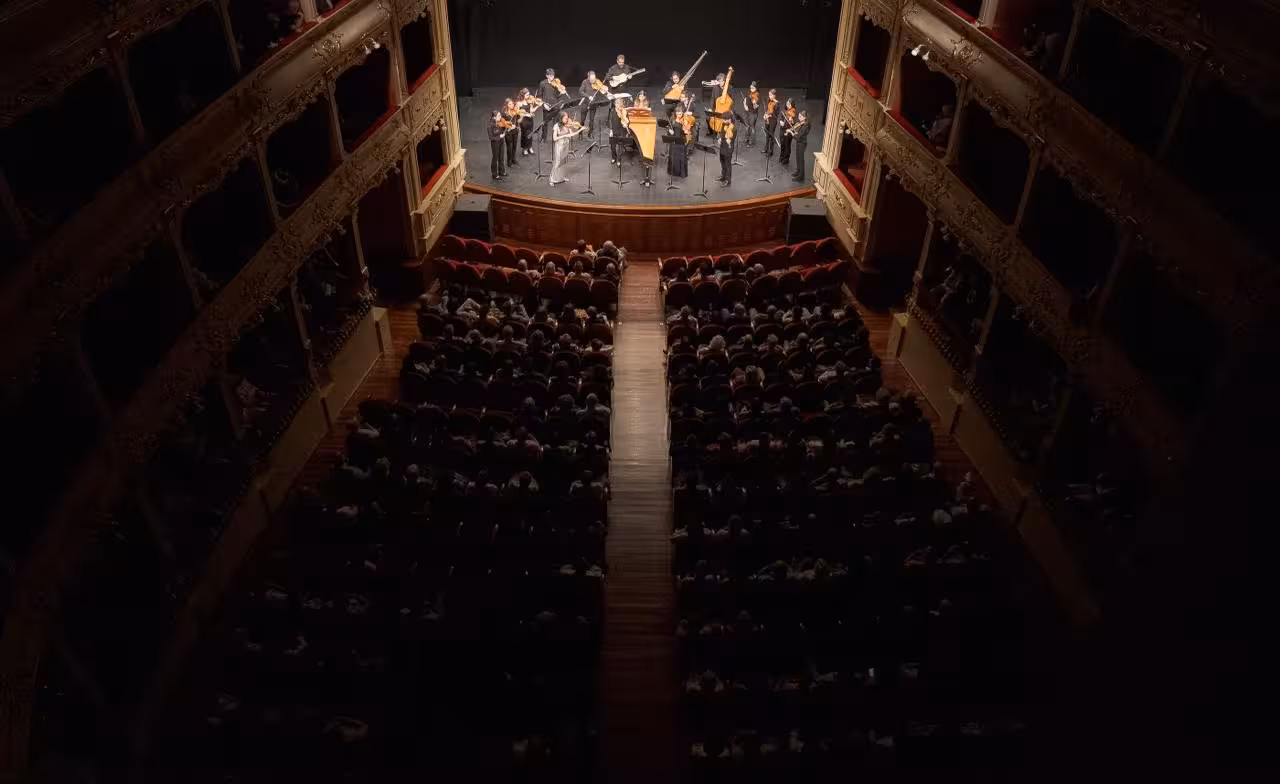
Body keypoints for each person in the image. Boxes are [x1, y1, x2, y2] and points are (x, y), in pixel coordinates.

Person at [550, 112, 582, 186]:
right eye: (565, 118)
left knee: (563, 162)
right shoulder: (556, 126)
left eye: (567, 118)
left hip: (566, 145)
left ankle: (561, 177)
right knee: (557, 162)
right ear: (561, 118)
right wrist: (564, 136)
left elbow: (571, 135)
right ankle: (552, 179)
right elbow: (554, 138)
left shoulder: (568, 126)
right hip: (559, 146)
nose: (567, 120)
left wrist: (580, 130)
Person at [538, 69, 564, 141]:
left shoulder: (556, 84)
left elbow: (557, 96)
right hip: (546, 106)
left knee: (556, 122)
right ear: (547, 76)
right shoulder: (542, 84)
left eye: (553, 75)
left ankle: (555, 137)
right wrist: (544, 105)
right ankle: (544, 137)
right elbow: (539, 96)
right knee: (545, 122)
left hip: (555, 105)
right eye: (550, 76)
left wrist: (561, 93)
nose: (552, 77)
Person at [578, 71, 606, 136]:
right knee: (582, 120)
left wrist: (603, 90)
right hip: (585, 103)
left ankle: (590, 133)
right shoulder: (585, 82)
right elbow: (581, 91)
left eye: (594, 79)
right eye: (592, 80)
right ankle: (580, 133)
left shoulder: (597, 82)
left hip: (593, 103)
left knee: (592, 120)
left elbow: (601, 90)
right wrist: (588, 96)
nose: (594, 81)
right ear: (588, 78)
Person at [667, 107, 690, 179]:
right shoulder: (672, 120)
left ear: (683, 113)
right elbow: (669, 128)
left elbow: (688, 133)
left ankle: (681, 173)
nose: (679, 114)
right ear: (675, 113)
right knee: (673, 156)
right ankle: (673, 172)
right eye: (678, 113)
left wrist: (686, 132)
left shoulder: (685, 121)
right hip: (674, 140)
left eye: (680, 113)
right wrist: (670, 132)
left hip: (681, 141)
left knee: (681, 157)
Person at [515, 88, 538, 156]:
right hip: (523, 121)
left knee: (530, 134)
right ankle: (525, 149)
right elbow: (517, 112)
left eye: (529, 94)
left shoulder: (529, 101)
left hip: (530, 120)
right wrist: (526, 114)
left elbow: (531, 110)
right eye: (527, 95)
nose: (529, 96)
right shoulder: (519, 103)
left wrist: (537, 106)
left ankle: (530, 147)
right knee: (525, 134)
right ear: (523, 95)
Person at [790, 110, 810, 182]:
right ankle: (798, 171)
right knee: (798, 157)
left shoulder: (805, 126)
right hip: (799, 142)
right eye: (798, 116)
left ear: (804, 118)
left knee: (801, 160)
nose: (798, 118)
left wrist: (792, 133)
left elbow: (798, 137)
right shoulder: (801, 124)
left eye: (800, 117)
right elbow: (798, 133)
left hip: (802, 143)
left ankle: (801, 176)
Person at [608, 97, 629, 166]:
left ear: (621, 104)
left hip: (621, 131)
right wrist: (611, 130)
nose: (616, 105)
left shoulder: (624, 111)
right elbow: (610, 120)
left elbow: (627, 120)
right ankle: (614, 157)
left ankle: (619, 160)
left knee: (620, 147)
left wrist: (625, 124)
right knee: (612, 146)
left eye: (618, 104)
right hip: (614, 130)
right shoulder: (612, 111)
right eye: (616, 103)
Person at [487, 110, 508, 180]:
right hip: (495, 143)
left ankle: (501, 171)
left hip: (501, 141)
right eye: (499, 116)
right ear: (494, 117)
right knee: (495, 158)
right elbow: (491, 137)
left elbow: (503, 129)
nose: (500, 117)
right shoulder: (490, 126)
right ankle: (494, 174)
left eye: (500, 115)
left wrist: (506, 127)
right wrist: (500, 137)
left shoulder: (500, 122)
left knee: (501, 157)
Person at [502, 98, 523, 166]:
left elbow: (518, 121)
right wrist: (510, 127)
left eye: (512, 104)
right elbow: (503, 124)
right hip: (508, 132)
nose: (512, 105)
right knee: (509, 147)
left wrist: (522, 117)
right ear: (507, 105)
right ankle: (509, 161)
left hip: (515, 131)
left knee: (514, 146)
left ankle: (513, 159)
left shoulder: (516, 111)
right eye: (510, 104)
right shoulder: (504, 113)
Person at [717, 113, 735, 187]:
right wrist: (720, 138)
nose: (723, 121)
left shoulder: (733, 128)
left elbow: (732, 138)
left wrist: (729, 140)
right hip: (722, 146)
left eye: (724, 120)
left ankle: (728, 180)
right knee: (722, 162)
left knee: (727, 164)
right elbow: (722, 132)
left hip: (728, 148)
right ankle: (723, 176)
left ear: (729, 119)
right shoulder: (724, 124)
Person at [778, 98, 796, 166]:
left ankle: (786, 159)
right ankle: (781, 156)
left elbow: (793, 123)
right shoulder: (785, 111)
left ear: (792, 105)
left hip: (788, 131)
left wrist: (791, 121)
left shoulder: (793, 113)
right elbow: (781, 118)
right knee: (782, 144)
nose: (787, 105)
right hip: (782, 130)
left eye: (789, 104)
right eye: (787, 104)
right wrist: (780, 122)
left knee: (787, 145)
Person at [742, 81, 761, 147]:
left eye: (753, 88)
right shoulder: (749, 92)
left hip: (753, 113)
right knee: (747, 126)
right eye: (750, 88)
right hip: (747, 112)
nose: (751, 89)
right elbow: (744, 100)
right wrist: (745, 106)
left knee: (752, 126)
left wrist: (754, 102)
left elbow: (756, 106)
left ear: (756, 88)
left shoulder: (757, 95)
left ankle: (751, 140)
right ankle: (747, 138)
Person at [762, 89, 779, 157]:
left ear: (774, 96)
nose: (769, 96)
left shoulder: (777, 104)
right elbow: (767, 110)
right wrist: (765, 114)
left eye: (770, 95)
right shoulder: (769, 101)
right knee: (767, 134)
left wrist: (768, 115)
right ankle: (766, 149)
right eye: (769, 95)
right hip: (767, 120)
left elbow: (776, 115)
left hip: (773, 121)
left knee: (771, 135)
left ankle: (770, 151)